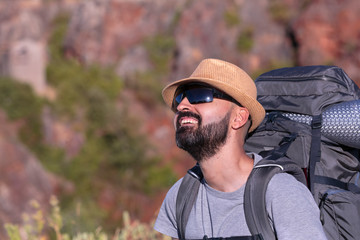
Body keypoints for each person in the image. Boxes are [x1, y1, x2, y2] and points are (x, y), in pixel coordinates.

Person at [154, 58, 327, 239]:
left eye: (199, 95)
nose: (181, 106)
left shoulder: (281, 193)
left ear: (239, 118)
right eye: (181, 97)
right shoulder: (181, 196)